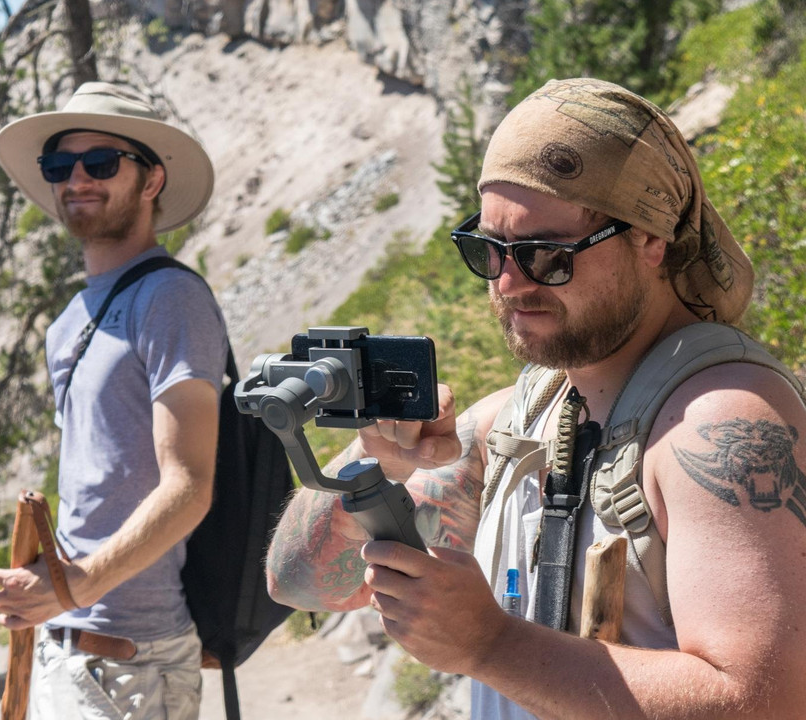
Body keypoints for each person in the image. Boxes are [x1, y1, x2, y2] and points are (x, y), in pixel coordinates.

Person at [265, 78, 806, 718]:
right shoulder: (522, 423)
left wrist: (492, 646)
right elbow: (299, 581)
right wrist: (380, 461)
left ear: (651, 239)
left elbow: (764, 702)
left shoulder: (721, 421)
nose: (511, 282)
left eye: (548, 254)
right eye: (491, 251)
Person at [0, 82, 228, 720]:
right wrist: (53, 590)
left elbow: (189, 484)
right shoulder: (71, 320)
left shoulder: (171, 299)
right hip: (73, 647)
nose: (77, 178)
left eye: (101, 163)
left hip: (131, 659)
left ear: (151, 180)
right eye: (60, 166)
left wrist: (76, 585)